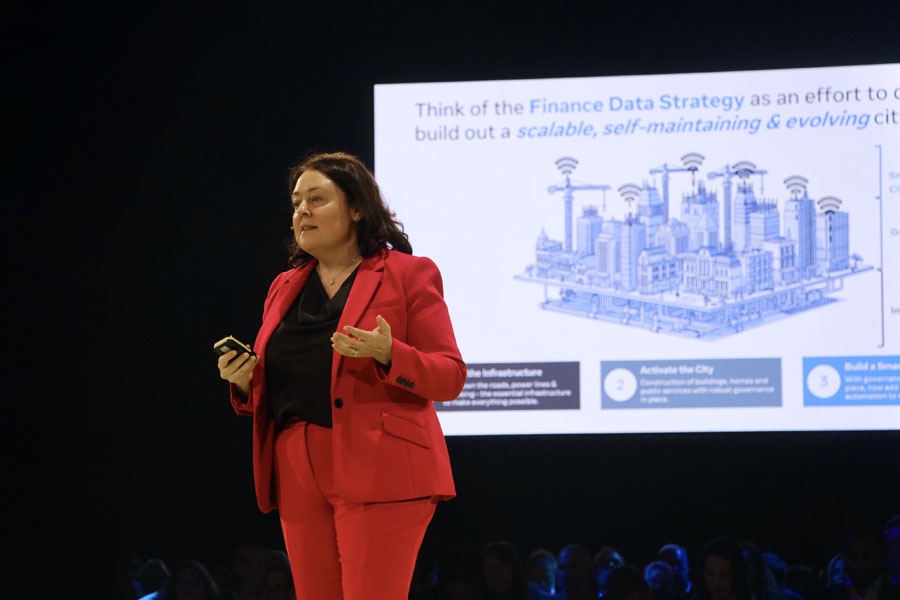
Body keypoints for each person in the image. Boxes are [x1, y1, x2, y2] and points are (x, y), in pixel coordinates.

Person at [217, 152, 466, 600]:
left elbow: (450, 376)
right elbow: (283, 382)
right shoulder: (283, 286)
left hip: (381, 464)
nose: (302, 211)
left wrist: (390, 354)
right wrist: (243, 381)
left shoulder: (409, 274)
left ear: (357, 209)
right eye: (296, 203)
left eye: (317, 199)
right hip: (295, 468)